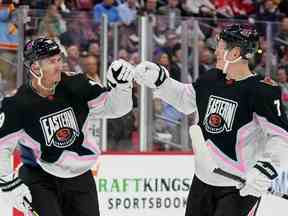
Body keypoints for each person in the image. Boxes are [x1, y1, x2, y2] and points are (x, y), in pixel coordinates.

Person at [134, 24, 288, 216]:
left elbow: (280, 137)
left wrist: (264, 169)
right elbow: (186, 100)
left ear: (235, 53)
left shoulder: (262, 90)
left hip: (240, 188)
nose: (216, 51)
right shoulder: (211, 78)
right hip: (203, 181)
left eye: (221, 47)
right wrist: (161, 81)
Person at [0, 37, 133, 216]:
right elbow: (2, 147)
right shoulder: (17, 104)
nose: (59, 66)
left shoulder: (76, 84)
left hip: (79, 175)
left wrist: (122, 87)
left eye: (59, 59)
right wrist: (8, 183)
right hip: (40, 177)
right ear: (35, 68)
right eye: (52, 61)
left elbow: (116, 108)